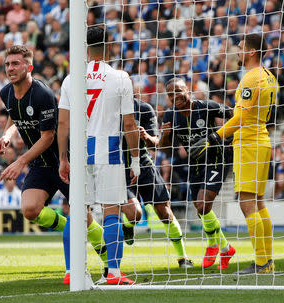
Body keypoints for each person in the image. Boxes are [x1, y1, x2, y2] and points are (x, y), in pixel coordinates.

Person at [0, 45, 107, 285]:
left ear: (29, 66)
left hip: (64, 162)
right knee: (30, 210)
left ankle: (108, 261)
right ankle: (70, 229)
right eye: (8, 64)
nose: (10, 68)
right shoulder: (6, 92)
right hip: (40, 166)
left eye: (16, 64)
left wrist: (20, 161)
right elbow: (14, 116)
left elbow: (48, 137)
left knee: (83, 218)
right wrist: (7, 135)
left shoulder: (42, 95)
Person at [58, 27, 140, 285]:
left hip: (81, 152)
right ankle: (114, 273)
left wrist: (63, 158)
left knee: (78, 212)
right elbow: (129, 125)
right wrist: (135, 160)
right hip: (110, 149)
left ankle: (72, 272)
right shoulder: (120, 77)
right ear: (110, 46)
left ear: (85, 47)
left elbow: (63, 124)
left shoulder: (71, 79)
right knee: (112, 211)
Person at [191, 34, 278, 274]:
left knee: (247, 202)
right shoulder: (269, 77)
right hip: (261, 140)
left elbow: (239, 118)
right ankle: (267, 261)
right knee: (258, 203)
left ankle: (261, 263)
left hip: (249, 143)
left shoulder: (251, 77)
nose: (236, 53)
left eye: (240, 49)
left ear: (251, 52)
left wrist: (214, 137)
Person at [161, 77, 235, 270]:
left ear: (188, 90)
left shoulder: (206, 106)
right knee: (201, 209)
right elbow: (167, 150)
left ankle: (212, 246)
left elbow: (234, 116)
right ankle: (226, 248)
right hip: (194, 164)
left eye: (178, 91)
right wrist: (165, 137)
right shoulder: (169, 116)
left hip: (217, 158)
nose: (174, 96)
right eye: (170, 94)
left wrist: (225, 137)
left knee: (202, 205)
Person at [121, 98, 193, 268]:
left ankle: (183, 258)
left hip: (145, 165)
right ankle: (128, 224)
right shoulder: (106, 109)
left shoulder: (143, 108)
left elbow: (156, 143)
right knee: (135, 214)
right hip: (118, 168)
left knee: (165, 212)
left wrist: (145, 136)